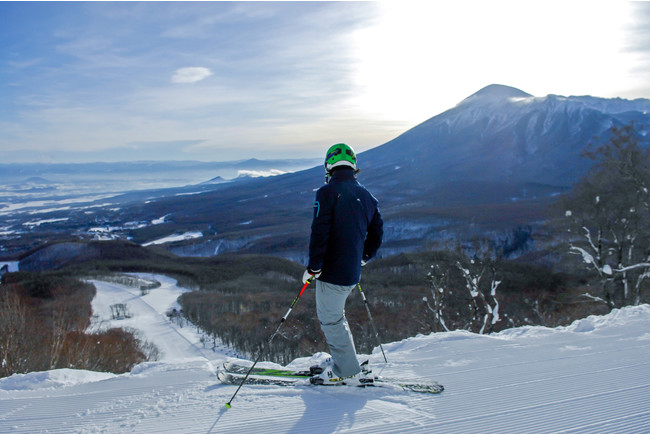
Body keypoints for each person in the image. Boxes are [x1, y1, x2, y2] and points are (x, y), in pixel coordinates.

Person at [302, 143, 383, 385]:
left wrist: (313, 267)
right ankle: (344, 359)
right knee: (337, 316)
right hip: (351, 272)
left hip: (332, 272)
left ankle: (346, 371)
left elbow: (320, 233)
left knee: (330, 319)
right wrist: (363, 257)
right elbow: (377, 234)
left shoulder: (327, 192)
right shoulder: (367, 196)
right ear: (353, 166)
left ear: (329, 166)